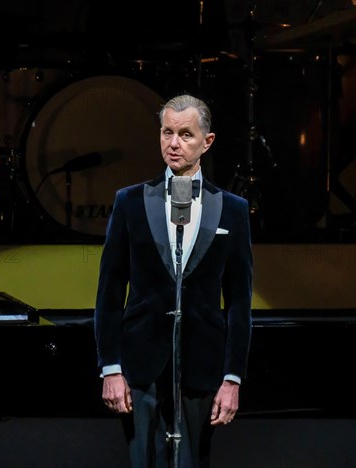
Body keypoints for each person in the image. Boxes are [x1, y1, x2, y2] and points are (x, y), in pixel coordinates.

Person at [94, 94, 253, 467]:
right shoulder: (130, 202)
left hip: (202, 365)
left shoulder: (233, 209)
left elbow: (240, 301)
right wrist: (111, 368)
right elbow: (110, 291)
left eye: (185, 134)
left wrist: (233, 378)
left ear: (207, 142)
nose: (174, 143)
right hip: (140, 364)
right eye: (167, 132)